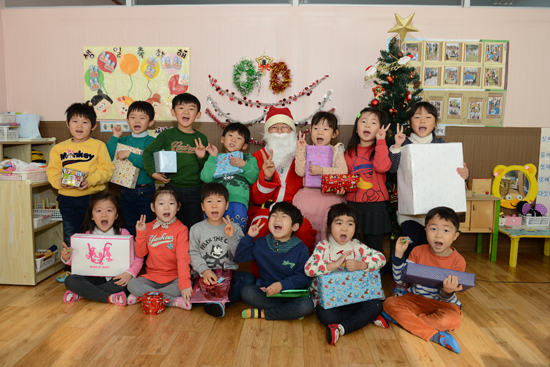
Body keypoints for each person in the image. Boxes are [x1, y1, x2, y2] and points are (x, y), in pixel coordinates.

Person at [388, 102, 469, 260]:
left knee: (429, 249)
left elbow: (453, 174)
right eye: (417, 117)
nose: (422, 121)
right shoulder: (404, 144)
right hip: (409, 214)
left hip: (433, 214)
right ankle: (403, 278)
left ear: (435, 123)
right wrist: (396, 146)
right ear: (410, 122)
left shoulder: (441, 145)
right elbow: (392, 168)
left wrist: (465, 174)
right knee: (410, 245)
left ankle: (425, 278)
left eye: (428, 117)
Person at [382, 206, 466, 354]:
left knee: (453, 320)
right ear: (425, 230)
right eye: (433, 229)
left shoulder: (458, 261)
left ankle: (407, 321)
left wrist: (447, 291)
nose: (439, 235)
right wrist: (398, 255)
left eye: (446, 230)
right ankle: (436, 336)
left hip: (444, 305)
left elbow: (449, 295)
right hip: (415, 299)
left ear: (455, 236)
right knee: (390, 303)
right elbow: (400, 281)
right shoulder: (417, 251)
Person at [46, 102, 114, 282]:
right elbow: (52, 171)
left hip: (93, 199)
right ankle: (73, 268)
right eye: (74, 121)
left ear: (93, 126)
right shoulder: (58, 149)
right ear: (67, 124)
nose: (79, 125)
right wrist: (59, 181)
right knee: (71, 233)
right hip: (67, 199)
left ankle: (96, 267)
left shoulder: (99, 146)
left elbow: (107, 170)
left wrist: (90, 181)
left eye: (84, 122)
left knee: (95, 232)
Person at [305, 203, 387, 345]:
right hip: (330, 302)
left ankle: (342, 328)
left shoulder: (357, 246)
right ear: (330, 226)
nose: (344, 228)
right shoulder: (323, 247)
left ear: (355, 228)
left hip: (354, 298)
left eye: (350, 224)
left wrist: (361, 264)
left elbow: (381, 258)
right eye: (338, 223)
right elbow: (309, 268)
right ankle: (366, 318)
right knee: (326, 317)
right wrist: (333, 265)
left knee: (376, 305)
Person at [247, 106, 318, 264]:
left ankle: (303, 274)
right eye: (274, 127)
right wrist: (266, 176)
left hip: (293, 210)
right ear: (267, 132)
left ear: (292, 131)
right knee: (260, 229)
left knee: (305, 231)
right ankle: (262, 278)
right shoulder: (257, 158)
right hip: (264, 209)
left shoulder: (302, 156)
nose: (279, 131)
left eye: (285, 127)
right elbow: (255, 198)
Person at [235, 202, 314, 320]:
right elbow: (240, 258)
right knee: (246, 291)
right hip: (268, 292)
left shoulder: (301, 248)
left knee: (307, 305)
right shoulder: (261, 243)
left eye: (284, 216)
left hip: (290, 293)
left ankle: (265, 314)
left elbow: (304, 277)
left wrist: (282, 285)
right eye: (274, 216)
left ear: (295, 226)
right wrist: (249, 237)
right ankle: (288, 311)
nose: (277, 219)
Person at [61, 192, 143, 305]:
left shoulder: (124, 233)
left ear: (116, 215)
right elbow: (80, 261)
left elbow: (138, 257)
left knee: (128, 285)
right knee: (70, 280)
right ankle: (109, 297)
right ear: (92, 216)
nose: (104, 215)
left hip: (115, 278)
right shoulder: (87, 234)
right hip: (92, 276)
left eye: (109, 210)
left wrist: (130, 274)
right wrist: (67, 258)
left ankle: (84, 293)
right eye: (98, 211)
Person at [143, 93, 208, 229]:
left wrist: (202, 157)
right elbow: (148, 152)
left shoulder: (202, 137)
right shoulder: (167, 135)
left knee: (193, 225)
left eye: (191, 108)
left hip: (195, 190)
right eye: (181, 108)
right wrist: (153, 172)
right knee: (170, 225)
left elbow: (206, 168)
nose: (186, 112)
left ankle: (190, 250)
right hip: (171, 189)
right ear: (173, 112)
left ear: (198, 114)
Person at [189, 183, 256, 317]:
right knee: (187, 287)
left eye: (219, 201)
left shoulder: (235, 227)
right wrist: (205, 270)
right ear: (202, 206)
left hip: (228, 275)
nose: (214, 205)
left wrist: (231, 237)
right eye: (209, 201)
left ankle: (216, 302)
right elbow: (193, 253)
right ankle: (219, 301)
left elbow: (239, 256)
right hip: (204, 275)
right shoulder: (196, 229)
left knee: (248, 279)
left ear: (226, 205)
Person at [127, 186, 192, 310]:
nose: (166, 207)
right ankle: (172, 301)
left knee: (182, 287)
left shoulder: (181, 229)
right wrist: (141, 233)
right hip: (151, 277)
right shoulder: (148, 227)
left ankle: (142, 296)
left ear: (178, 207)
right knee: (132, 283)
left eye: (171, 203)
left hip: (173, 278)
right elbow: (140, 254)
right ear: (153, 207)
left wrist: (184, 284)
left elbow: (183, 258)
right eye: (161, 203)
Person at [293, 111, 347, 243]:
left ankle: (324, 258)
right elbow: (300, 172)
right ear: (310, 131)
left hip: (329, 196)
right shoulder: (307, 149)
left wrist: (322, 170)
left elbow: (342, 172)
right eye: (316, 128)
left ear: (334, 133)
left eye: (326, 129)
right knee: (305, 229)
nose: (320, 132)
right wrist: (300, 150)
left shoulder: (336, 151)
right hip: (308, 195)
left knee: (326, 230)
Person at [344, 107, 391, 255]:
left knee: (375, 249)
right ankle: (358, 277)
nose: (367, 125)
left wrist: (381, 142)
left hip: (376, 207)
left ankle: (376, 276)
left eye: (373, 122)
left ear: (379, 129)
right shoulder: (349, 152)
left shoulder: (381, 149)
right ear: (356, 128)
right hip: (353, 206)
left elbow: (382, 167)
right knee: (355, 248)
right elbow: (344, 177)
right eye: (363, 121)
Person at [106, 100, 156, 238]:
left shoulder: (151, 142)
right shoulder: (123, 140)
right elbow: (109, 156)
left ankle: (146, 257)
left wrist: (129, 155)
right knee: (128, 224)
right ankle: (133, 255)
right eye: (133, 117)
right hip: (124, 190)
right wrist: (115, 137)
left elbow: (149, 163)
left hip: (146, 191)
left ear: (151, 122)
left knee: (146, 224)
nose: (137, 121)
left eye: (142, 117)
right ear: (127, 120)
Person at [200, 123, 259, 231]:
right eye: (230, 135)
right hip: (215, 201)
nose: (233, 140)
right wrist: (212, 157)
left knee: (236, 232)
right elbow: (206, 178)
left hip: (237, 200)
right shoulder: (215, 156)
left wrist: (244, 165)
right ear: (223, 139)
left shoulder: (248, 158)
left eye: (239, 138)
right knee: (213, 232)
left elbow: (253, 178)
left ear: (244, 146)